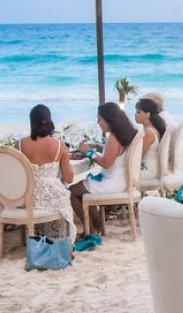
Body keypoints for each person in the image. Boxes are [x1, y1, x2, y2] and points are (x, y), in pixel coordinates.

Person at [69, 103, 138, 237]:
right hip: (122, 180)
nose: (98, 122)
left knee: (72, 191)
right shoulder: (126, 133)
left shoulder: (114, 137)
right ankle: (97, 226)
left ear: (109, 119)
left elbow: (106, 163)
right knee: (82, 188)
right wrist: (97, 146)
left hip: (112, 183)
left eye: (100, 119)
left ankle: (92, 229)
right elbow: (116, 153)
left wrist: (89, 152)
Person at [18, 104, 76, 238]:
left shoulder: (19, 144)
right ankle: (62, 242)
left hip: (27, 196)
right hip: (50, 194)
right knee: (64, 198)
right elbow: (69, 178)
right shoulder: (59, 145)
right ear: (49, 120)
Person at [132, 97, 167, 181]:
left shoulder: (148, 133)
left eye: (138, 112)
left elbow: (139, 157)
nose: (135, 114)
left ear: (147, 114)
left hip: (148, 171)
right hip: (152, 168)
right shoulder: (152, 129)